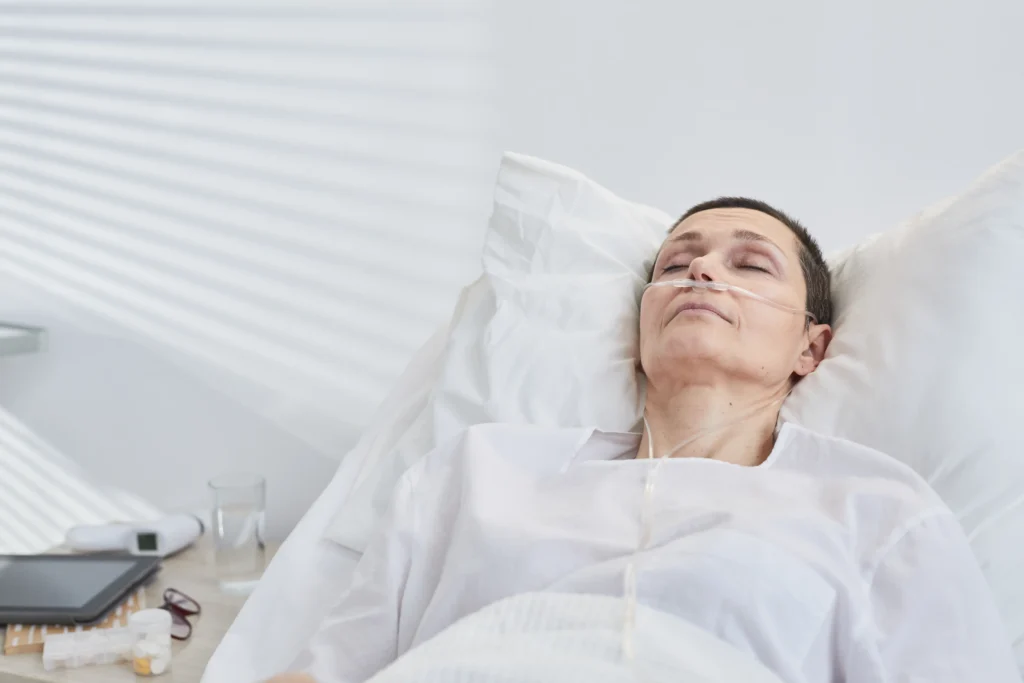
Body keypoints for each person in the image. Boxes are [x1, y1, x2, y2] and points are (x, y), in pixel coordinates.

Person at [268, 198, 1020, 683]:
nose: (700, 267)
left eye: (749, 262)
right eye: (675, 263)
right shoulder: (478, 470)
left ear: (810, 351)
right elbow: (328, 669)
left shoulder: (879, 510)